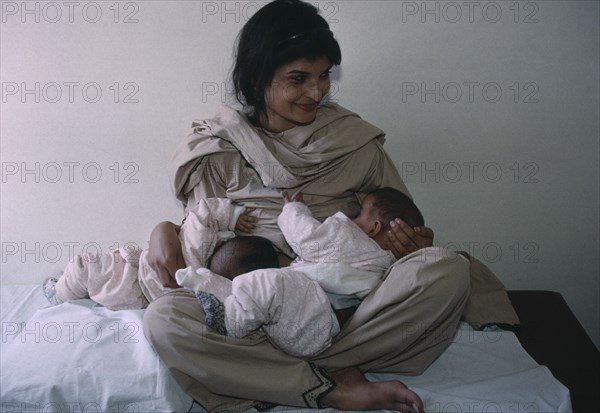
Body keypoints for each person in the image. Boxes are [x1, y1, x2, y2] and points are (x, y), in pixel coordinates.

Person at [143, 0, 471, 412]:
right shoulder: (216, 149)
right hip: (252, 311)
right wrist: (163, 231)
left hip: (347, 317)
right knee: (165, 319)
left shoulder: (353, 142)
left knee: (448, 269)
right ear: (258, 76)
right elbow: (200, 235)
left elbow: (396, 221)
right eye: (298, 78)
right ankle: (331, 385)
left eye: (323, 77)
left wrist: (413, 243)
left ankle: (278, 375)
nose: (316, 92)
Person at [176, 187, 428, 358]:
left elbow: (305, 237)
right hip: (318, 333)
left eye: (359, 214)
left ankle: (230, 321)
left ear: (374, 228)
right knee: (260, 287)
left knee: (268, 283)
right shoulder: (388, 267)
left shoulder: (348, 238)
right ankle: (213, 288)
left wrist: (293, 209)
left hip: (310, 313)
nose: (351, 217)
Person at [43, 197, 258, 310]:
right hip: (132, 270)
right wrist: (232, 215)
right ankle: (60, 291)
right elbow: (205, 211)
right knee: (87, 269)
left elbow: (206, 213)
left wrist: (231, 217)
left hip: (142, 298)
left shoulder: (210, 285)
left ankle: (68, 287)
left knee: (103, 294)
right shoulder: (199, 241)